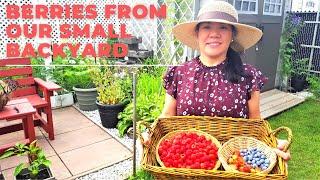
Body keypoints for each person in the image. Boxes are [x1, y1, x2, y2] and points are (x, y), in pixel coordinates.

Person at [143, 1, 290, 161]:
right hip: (187, 163)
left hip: (232, 162)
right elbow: (167, 116)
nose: (214, 33)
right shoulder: (179, 73)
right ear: (197, 33)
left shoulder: (247, 75)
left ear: (232, 35)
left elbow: (255, 124)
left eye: (223, 27)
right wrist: (150, 133)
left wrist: (271, 143)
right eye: (207, 27)